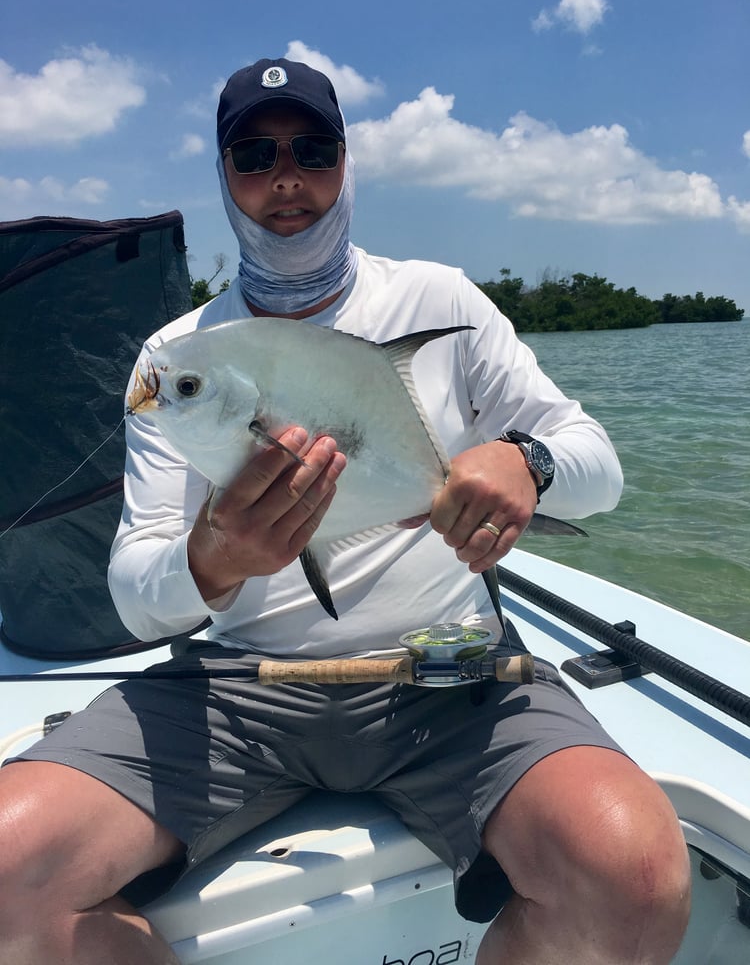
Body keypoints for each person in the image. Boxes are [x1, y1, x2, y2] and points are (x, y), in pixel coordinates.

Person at [0, 58, 690, 964]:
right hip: (235, 691)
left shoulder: (439, 301)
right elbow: (136, 597)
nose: (287, 176)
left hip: (454, 680)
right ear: (223, 176)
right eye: (254, 154)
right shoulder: (176, 359)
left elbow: (599, 468)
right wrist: (217, 556)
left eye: (312, 149)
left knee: (636, 877)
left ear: (345, 161)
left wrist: (524, 460)